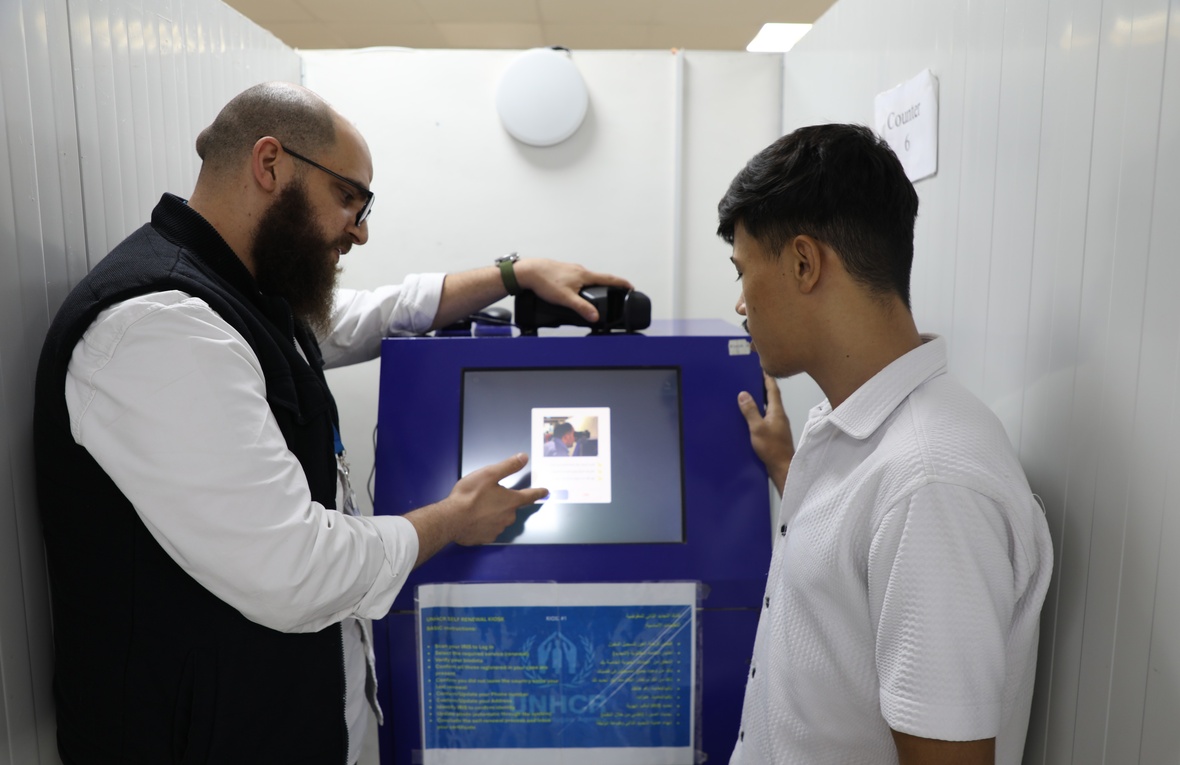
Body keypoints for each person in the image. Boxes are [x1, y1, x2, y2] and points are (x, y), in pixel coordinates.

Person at [33, 82, 630, 764]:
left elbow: (365, 317)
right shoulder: (161, 326)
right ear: (270, 165)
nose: (361, 228)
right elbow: (295, 567)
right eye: (349, 197)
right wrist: (452, 519)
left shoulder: (240, 294)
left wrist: (511, 273)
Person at [720, 124, 1053, 765]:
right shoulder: (864, 434)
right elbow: (854, 567)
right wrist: (788, 465)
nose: (740, 304)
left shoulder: (930, 484)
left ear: (803, 263)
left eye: (743, 272)